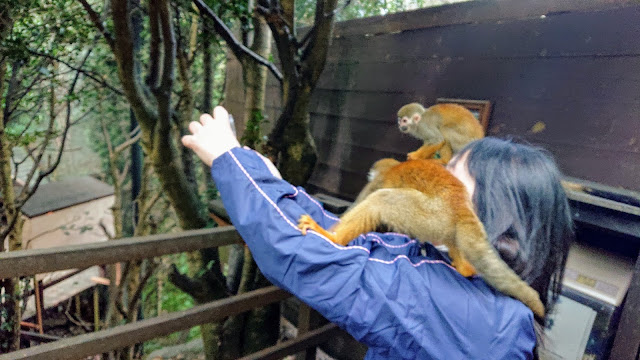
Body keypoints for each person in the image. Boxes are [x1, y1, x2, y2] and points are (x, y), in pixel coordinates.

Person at [182, 106, 574, 360]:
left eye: (451, 179)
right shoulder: (459, 276)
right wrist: (267, 181)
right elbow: (350, 238)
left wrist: (230, 160)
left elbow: (312, 258)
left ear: (495, 215)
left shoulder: (470, 315)